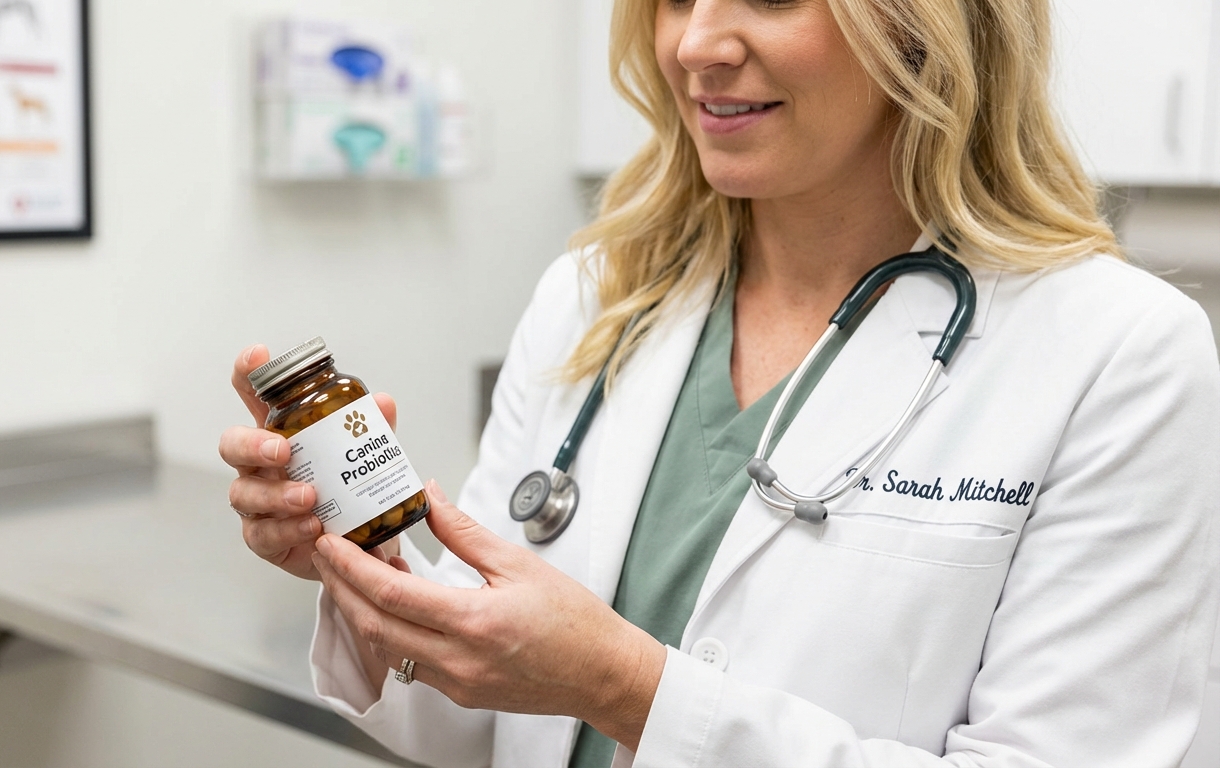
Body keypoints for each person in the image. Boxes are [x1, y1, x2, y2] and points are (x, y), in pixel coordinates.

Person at [219, 0, 1220, 765]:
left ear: (926, 29)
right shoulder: (593, 300)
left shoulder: (1119, 356)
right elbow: (466, 728)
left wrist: (629, 690)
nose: (696, 41)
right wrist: (361, 569)